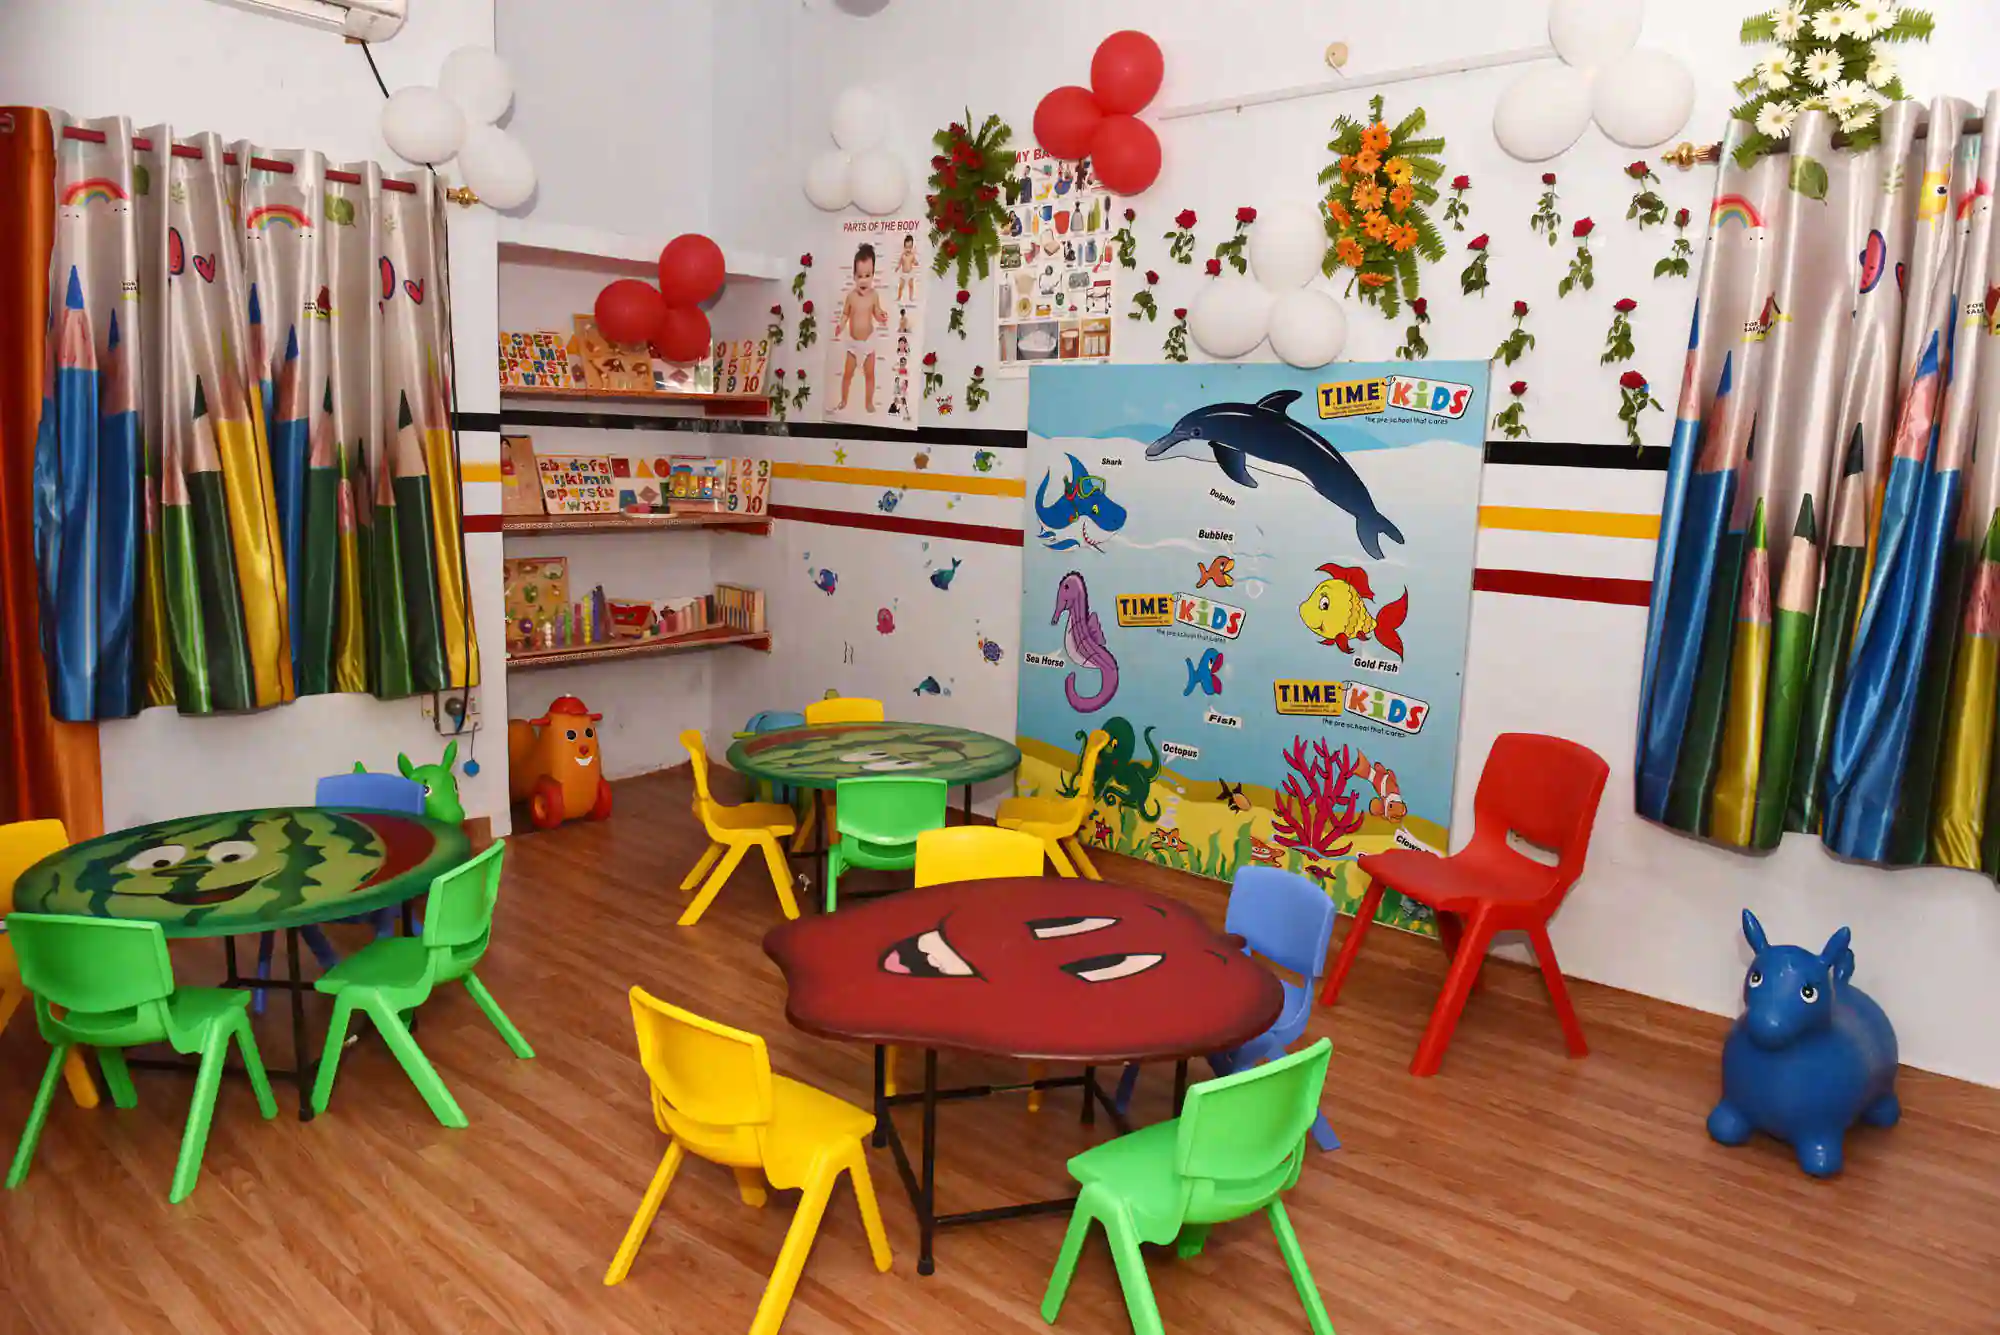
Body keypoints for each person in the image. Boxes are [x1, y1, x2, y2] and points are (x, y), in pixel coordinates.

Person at [835, 243, 889, 413]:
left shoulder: (874, 296)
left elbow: (876, 311)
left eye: (867, 275)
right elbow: (845, 314)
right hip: (853, 344)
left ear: (873, 275)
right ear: (854, 276)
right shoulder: (851, 297)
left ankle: (869, 402)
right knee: (847, 374)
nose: (863, 280)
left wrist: (881, 316)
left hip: (868, 343)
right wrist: (840, 325)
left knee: (870, 374)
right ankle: (844, 400)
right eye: (860, 276)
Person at [895, 233, 919, 303]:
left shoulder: (912, 255)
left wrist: (916, 263)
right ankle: (899, 297)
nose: (908, 249)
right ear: (904, 247)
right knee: (901, 286)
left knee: (911, 285)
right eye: (906, 247)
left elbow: (914, 261)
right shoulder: (903, 255)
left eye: (910, 247)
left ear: (912, 247)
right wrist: (897, 267)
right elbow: (900, 262)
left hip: (910, 273)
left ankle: (911, 297)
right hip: (903, 273)